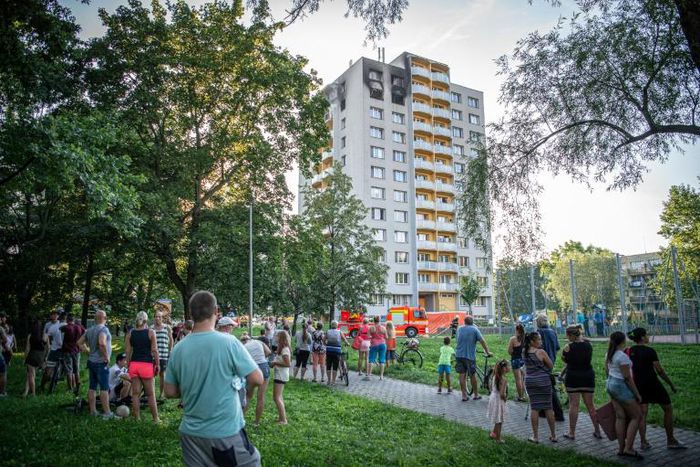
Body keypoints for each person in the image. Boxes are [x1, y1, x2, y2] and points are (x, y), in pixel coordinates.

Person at [164, 291, 263, 466]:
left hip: (191, 434)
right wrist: (247, 394)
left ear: (191, 313)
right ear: (216, 311)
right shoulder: (228, 342)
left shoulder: (179, 348)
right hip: (224, 432)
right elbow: (257, 378)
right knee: (252, 461)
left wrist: (192, 386)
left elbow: (170, 391)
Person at [627, 327, 685, 450]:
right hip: (653, 384)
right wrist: (671, 384)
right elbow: (659, 371)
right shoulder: (650, 351)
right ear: (642, 337)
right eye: (646, 335)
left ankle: (643, 442)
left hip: (638, 385)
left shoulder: (629, 350)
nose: (647, 337)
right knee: (668, 409)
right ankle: (671, 440)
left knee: (643, 414)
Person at [605, 331, 643, 460]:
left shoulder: (609, 354)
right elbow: (627, 378)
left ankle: (621, 449)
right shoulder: (622, 357)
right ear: (623, 341)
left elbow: (607, 370)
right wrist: (637, 394)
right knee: (637, 416)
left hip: (610, 384)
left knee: (620, 417)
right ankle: (629, 448)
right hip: (620, 386)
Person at [561, 325, 601, 440]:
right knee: (591, 406)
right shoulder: (589, 345)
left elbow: (565, 360)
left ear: (571, 335)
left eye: (567, 335)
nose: (567, 338)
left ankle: (572, 433)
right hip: (587, 377)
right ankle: (597, 431)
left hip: (573, 378)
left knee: (574, 405)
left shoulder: (567, 347)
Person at [77, 310, 114, 419]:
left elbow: (79, 342)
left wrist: (88, 352)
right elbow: (102, 343)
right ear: (105, 318)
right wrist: (106, 357)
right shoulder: (104, 329)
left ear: (95, 319)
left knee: (92, 387)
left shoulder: (90, 330)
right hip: (101, 363)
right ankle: (107, 413)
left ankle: (93, 411)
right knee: (104, 388)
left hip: (91, 362)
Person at [125, 311, 160, 422]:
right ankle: (156, 419)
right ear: (146, 320)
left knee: (135, 394)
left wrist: (129, 364)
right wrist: (158, 364)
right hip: (146, 365)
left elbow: (128, 351)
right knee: (150, 394)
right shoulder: (151, 332)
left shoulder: (130, 333)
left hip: (134, 365)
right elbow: (154, 350)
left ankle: (137, 418)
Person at [523, 331, 557, 443]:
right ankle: (553, 435)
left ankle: (535, 436)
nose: (541, 341)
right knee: (548, 408)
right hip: (543, 381)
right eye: (539, 339)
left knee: (535, 408)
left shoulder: (525, 352)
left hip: (530, 382)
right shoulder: (541, 352)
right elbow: (550, 365)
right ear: (532, 341)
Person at [455, 315, 491, 401]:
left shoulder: (459, 329)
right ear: (472, 322)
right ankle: (476, 394)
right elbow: (482, 341)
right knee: (472, 375)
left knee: (462, 375)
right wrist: (487, 351)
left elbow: (457, 340)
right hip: (469, 356)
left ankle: (464, 395)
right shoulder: (475, 329)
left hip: (459, 355)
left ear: (465, 322)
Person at [536, 314, 564, 421]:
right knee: (544, 387)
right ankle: (543, 411)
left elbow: (537, 347)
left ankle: (558, 413)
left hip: (541, 362)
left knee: (548, 388)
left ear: (539, 322)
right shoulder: (552, 332)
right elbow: (557, 347)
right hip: (551, 361)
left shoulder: (539, 333)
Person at [241, 332, 271, 426]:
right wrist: (261, 357)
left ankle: (240, 420)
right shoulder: (258, 341)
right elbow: (268, 352)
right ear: (250, 338)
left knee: (248, 396)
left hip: (251, 368)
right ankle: (256, 422)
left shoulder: (242, 347)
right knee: (261, 397)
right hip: (263, 366)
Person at [40, 309, 65, 392]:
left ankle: (53, 382)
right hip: (53, 348)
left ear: (59, 316)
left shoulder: (58, 325)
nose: (54, 316)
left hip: (60, 350)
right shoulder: (49, 325)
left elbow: (45, 337)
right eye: (53, 314)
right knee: (48, 370)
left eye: (56, 314)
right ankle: (43, 385)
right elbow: (45, 337)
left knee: (55, 369)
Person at [23, 319, 49, 397]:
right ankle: (26, 392)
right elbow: (48, 348)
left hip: (32, 356)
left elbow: (27, 348)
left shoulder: (30, 336)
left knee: (31, 376)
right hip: (40, 357)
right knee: (29, 375)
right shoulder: (45, 335)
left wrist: (25, 358)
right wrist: (45, 357)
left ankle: (33, 393)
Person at [270, 330, 291, 425]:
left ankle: (283, 420)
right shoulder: (281, 348)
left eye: (277, 336)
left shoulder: (285, 349)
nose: (275, 338)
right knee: (279, 397)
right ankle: (281, 418)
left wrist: (275, 363)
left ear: (281, 338)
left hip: (281, 375)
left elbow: (287, 364)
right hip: (279, 374)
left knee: (276, 397)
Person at [60, 314, 85, 393]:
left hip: (67, 351)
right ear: (73, 320)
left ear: (67, 320)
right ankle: (78, 386)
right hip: (76, 350)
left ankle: (70, 388)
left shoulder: (67, 327)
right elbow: (85, 331)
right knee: (76, 370)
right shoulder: (79, 327)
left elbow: (60, 328)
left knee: (69, 370)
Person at [487, 360, 510, 443]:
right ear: (504, 368)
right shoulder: (503, 380)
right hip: (498, 401)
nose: (509, 368)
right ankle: (498, 439)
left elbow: (490, 388)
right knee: (499, 420)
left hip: (493, 398)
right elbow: (502, 394)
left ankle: (493, 433)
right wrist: (505, 398)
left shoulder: (494, 376)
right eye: (508, 366)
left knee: (497, 417)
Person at [152, 311, 173, 400]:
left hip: (164, 354)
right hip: (153, 355)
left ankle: (162, 394)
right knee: (151, 375)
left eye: (159, 317)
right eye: (156, 316)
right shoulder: (151, 328)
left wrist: (170, 350)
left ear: (162, 318)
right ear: (154, 318)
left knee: (162, 375)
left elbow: (171, 339)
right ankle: (151, 394)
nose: (158, 318)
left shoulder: (167, 327)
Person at [325, 320, 350, 385]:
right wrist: (347, 343)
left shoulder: (328, 331)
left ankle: (328, 381)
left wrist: (326, 344)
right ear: (337, 325)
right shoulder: (339, 332)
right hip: (337, 351)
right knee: (335, 366)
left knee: (328, 366)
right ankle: (333, 381)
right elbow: (344, 340)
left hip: (329, 350)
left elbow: (323, 340)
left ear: (331, 325)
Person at [507, 323, 527, 402]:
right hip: (523, 360)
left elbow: (509, 351)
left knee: (518, 379)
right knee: (522, 378)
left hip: (515, 360)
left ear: (516, 330)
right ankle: (524, 395)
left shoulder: (513, 339)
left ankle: (520, 396)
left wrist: (513, 353)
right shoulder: (525, 338)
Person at [367, 316, 387, 380]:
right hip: (382, 344)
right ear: (380, 320)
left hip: (374, 344)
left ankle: (369, 376)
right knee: (382, 360)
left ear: (374, 320)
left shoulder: (371, 328)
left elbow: (368, 336)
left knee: (371, 360)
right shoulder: (383, 328)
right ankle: (381, 376)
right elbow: (386, 337)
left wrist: (373, 337)